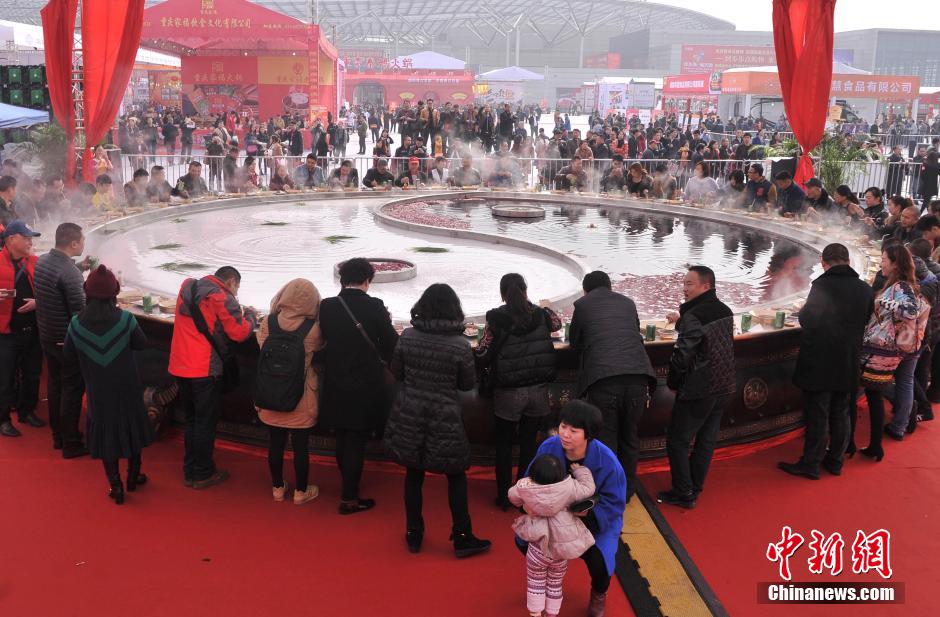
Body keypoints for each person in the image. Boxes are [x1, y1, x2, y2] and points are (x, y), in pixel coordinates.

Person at [384, 283, 490, 557]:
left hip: (411, 412)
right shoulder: (459, 345)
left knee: (413, 472)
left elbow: (397, 372)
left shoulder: (407, 337)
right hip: (445, 415)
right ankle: (462, 535)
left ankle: (414, 533)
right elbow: (467, 384)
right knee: (455, 475)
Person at [518, 401, 626, 617]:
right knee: (524, 542)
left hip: (592, 520)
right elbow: (529, 478)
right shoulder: (548, 447)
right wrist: (527, 503)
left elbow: (615, 502)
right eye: (563, 426)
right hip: (551, 515)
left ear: (588, 435)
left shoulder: (607, 461)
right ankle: (545, 581)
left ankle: (599, 593)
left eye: (573, 430)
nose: (565, 434)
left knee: (600, 561)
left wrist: (590, 513)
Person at [778, 244, 873, 479]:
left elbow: (809, 319)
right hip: (848, 359)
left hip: (821, 359)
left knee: (818, 413)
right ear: (848, 260)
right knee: (840, 412)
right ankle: (835, 461)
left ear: (824, 262)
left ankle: (810, 464)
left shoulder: (822, 285)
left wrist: (802, 311)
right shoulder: (864, 288)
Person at [63, 265, 153, 504]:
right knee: (131, 429)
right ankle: (134, 476)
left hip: (97, 390)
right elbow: (141, 344)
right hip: (127, 388)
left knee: (106, 435)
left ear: (87, 293)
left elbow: (69, 355)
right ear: (114, 293)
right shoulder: (125, 319)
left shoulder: (76, 324)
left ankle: (116, 486)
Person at [318, 258, 398, 514]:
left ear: (342, 279)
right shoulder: (374, 306)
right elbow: (391, 345)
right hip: (364, 383)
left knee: (342, 435)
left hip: (334, 380)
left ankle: (347, 486)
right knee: (355, 439)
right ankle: (349, 498)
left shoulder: (327, 306)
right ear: (367, 280)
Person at [568, 271, 655, 502]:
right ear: (610, 286)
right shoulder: (627, 303)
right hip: (638, 377)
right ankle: (627, 490)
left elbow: (574, 342)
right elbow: (634, 332)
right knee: (630, 435)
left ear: (586, 290)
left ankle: (608, 490)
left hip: (604, 379)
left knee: (607, 437)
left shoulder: (583, 305)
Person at [169, 266, 258, 489]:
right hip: (204, 369)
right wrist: (250, 315)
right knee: (205, 423)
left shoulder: (187, 287)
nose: (236, 293)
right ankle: (202, 473)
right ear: (230, 282)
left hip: (180, 365)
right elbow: (239, 333)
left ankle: (190, 468)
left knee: (191, 420)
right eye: (236, 287)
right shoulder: (220, 296)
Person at [476, 274, 561, 510]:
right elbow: (558, 325)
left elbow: (482, 353)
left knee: (503, 445)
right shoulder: (541, 315)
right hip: (538, 390)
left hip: (509, 392)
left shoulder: (495, 318)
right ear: (525, 291)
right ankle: (522, 494)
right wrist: (546, 306)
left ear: (503, 293)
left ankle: (504, 496)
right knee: (528, 444)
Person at [659, 266, 735, 509]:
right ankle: (695, 485)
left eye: (690, 284)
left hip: (699, 388)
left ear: (706, 286)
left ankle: (683, 492)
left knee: (678, 439)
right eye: (684, 283)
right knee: (706, 439)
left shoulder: (694, 316)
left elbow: (683, 354)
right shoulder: (724, 310)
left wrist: (673, 382)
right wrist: (681, 320)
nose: (684, 288)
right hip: (723, 384)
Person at [255, 279, 323, 506]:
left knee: (275, 443)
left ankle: (277, 487)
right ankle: (301, 492)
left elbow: (261, 346)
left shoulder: (268, 322)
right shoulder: (314, 329)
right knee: (301, 447)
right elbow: (323, 348)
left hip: (271, 394)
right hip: (300, 398)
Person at [860, 243, 929, 461]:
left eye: (884, 259)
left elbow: (910, 310)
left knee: (875, 390)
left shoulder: (901, 287)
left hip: (891, 347)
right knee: (888, 387)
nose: (881, 262)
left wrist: (882, 301)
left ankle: (885, 437)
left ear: (895, 263)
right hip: (904, 345)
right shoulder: (906, 284)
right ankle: (895, 426)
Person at [508, 454, 596, 617]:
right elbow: (588, 488)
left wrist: (525, 482)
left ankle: (535, 614)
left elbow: (512, 495)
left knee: (535, 581)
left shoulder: (527, 487)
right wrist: (580, 470)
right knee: (555, 584)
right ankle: (552, 614)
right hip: (560, 552)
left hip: (537, 550)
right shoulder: (569, 487)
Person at [34, 222, 89, 455]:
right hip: (66, 340)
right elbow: (80, 312)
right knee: (72, 390)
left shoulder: (43, 261)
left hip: (47, 334)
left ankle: (58, 435)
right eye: (82, 241)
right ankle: (70, 442)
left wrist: (79, 268)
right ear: (74, 243)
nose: (84, 244)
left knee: (56, 385)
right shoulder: (70, 274)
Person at [0, 221, 44, 438]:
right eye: (26, 237)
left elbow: (49, 289)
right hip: (6, 333)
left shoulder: (34, 262)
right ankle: (4, 419)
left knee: (32, 374)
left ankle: (27, 411)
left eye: (31, 238)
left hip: (32, 329)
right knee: (5, 378)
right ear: (11, 240)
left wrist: (38, 302)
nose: (30, 241)